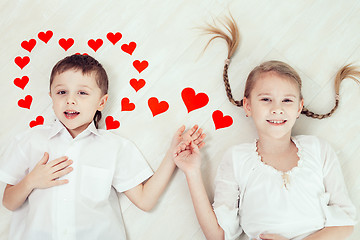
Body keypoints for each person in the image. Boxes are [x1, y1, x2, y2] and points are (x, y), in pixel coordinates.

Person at [173, 16, 359, 240]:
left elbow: (346, 223)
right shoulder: (236, 158)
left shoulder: (319, 150)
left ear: (299, 107)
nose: (277, 109)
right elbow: (218, 235)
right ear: (248, 106)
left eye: (287, 101)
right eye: (266, 100)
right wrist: (192, 173)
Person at [0, 54, 205, 240]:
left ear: (101, 102)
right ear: (51, 97)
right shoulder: (30, 141)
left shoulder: (115, 147)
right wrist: (30, 181)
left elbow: (145, 200)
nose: (70, 100)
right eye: (61, 92)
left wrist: (172, 155)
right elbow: (8, 202)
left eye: (82, 93)